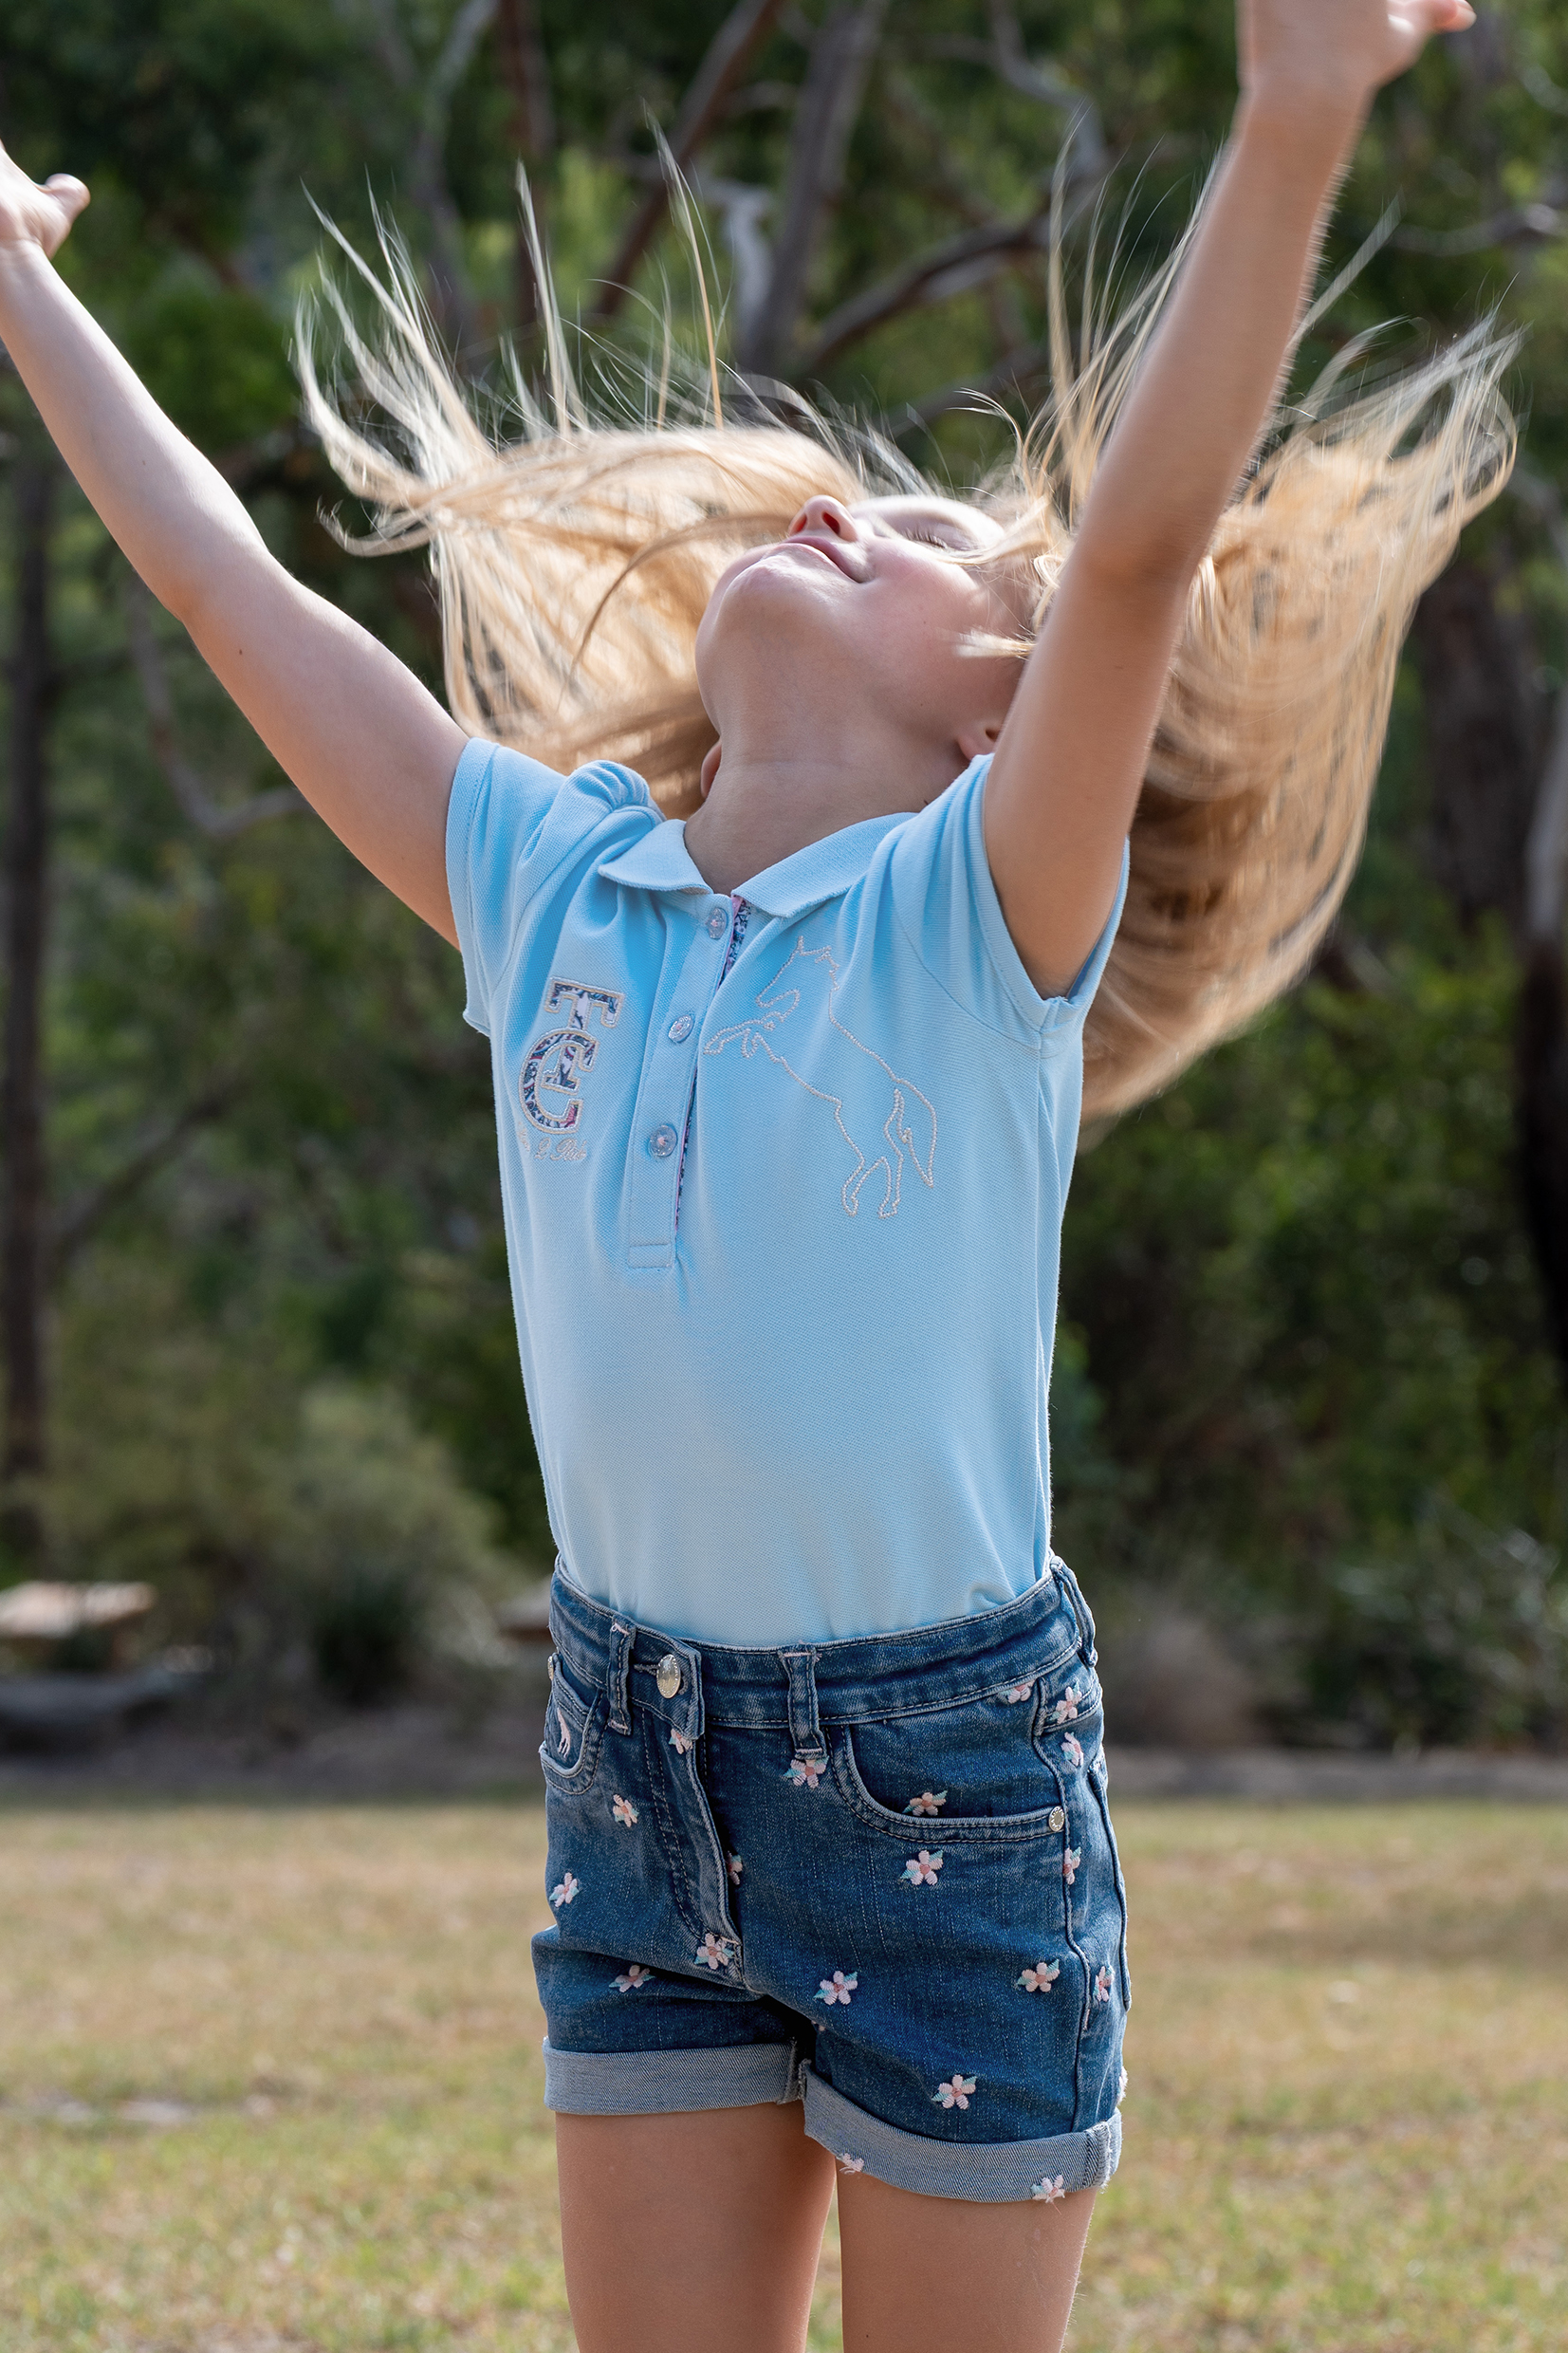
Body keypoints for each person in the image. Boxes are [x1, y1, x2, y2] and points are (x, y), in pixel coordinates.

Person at [0, 3, 1513, 2346]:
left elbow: (1124, 562)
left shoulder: (978, 915)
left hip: (948, 1796)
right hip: (637, 1762)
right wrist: (23, 284)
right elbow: (232, 595)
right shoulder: (546, 884)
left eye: (924, 532)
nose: (851, 501)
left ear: (998, 707)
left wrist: (1292, 116)